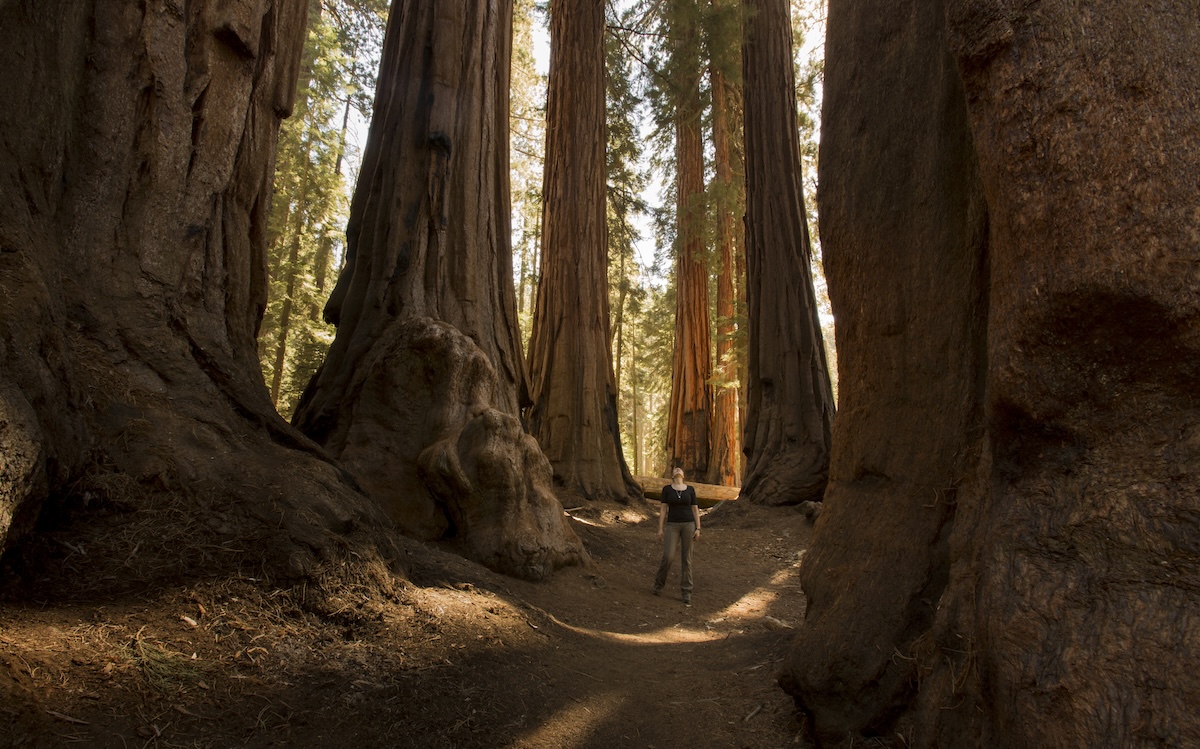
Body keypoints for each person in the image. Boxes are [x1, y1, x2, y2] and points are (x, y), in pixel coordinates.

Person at [653, 467, 701, 605]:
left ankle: (687, 591)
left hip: (688, 525)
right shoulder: (667, 489)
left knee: (687, 558)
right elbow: (663, 510)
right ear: (673, 475)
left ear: (683, 475)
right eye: (675, 470)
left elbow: (695, 509)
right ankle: (658, 584)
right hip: (672, 525)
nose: (678, 470)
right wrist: (660, 528)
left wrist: (698, 528)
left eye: (680, 469)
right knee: (668, 556)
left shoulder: (690, 489)